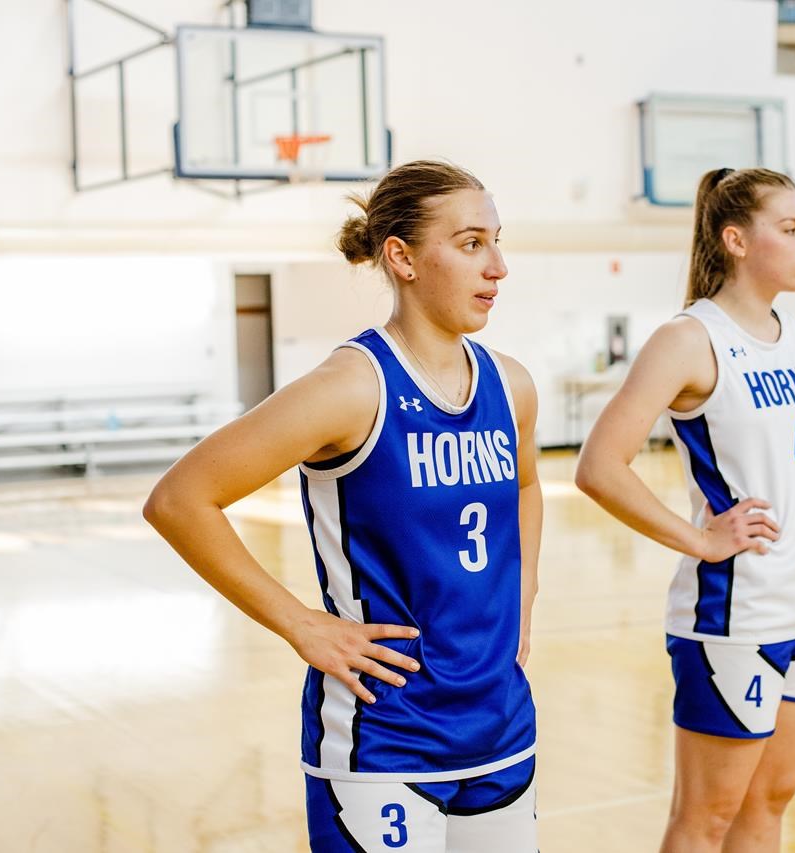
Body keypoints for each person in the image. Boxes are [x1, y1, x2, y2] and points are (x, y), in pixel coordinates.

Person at [143, 160, 542, 852]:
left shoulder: (512, 385)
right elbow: (180, 499)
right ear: (402, 257)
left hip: (500, 724)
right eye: (472, 242)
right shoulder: (350, 387)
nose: (498, 265)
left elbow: (529, 485)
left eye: (497, 240)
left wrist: (524, 590)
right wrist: (304, 625)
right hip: (384, 739)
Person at [575, 167, 795, 852]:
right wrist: (700, 540)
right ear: (736, 240)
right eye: (790, 228)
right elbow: (599, 465)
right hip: (735, 618)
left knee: (769, 807)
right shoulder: (690, 338)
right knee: (705, 821)